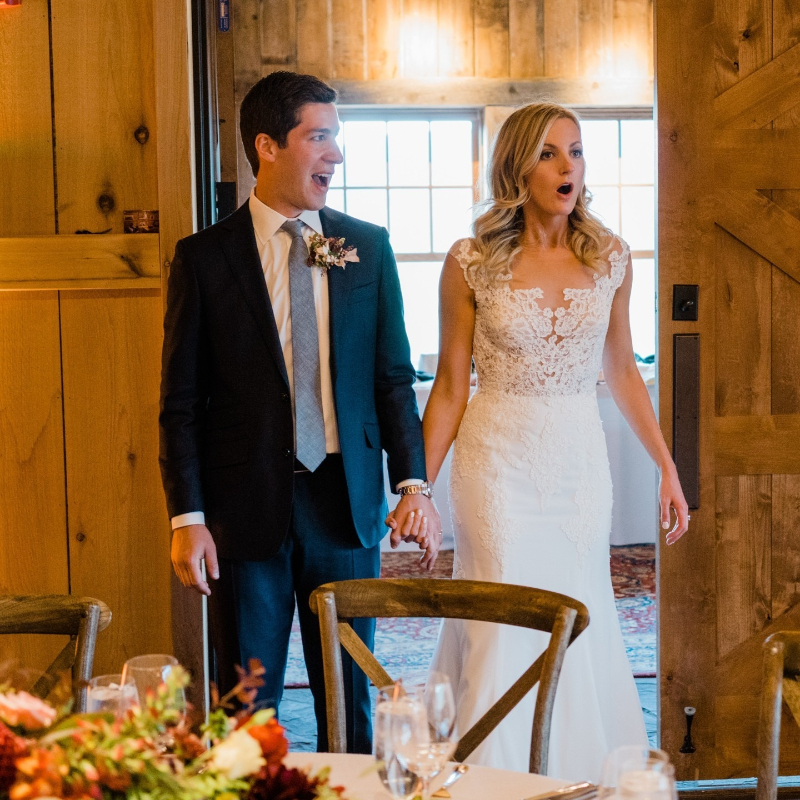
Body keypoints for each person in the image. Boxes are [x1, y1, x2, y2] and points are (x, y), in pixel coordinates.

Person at [158, 71, 440, 754]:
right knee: (246, 703)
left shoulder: (366, 246)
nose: (334, 155)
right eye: (319, 137)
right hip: (243, 508)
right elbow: (180, 401)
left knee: (350, 695)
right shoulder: (204, 259)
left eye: (335, 138)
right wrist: (188, 517)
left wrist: (412, 484)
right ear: (267, 146)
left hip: (345, 505)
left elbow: (392, 379)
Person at [422, 103, 689, 780]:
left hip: (577, 461)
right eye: (548, 153)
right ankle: (490, 781)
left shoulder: (610, 259)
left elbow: (621, 368)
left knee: (579, 605)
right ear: (517, 166)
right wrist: (415, 488)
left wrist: (667, 466)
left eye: (575, 151)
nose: (567, 166)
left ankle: (579, 777)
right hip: (496, 461)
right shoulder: (470, 262)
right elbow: (451, 385)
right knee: (503, 616)